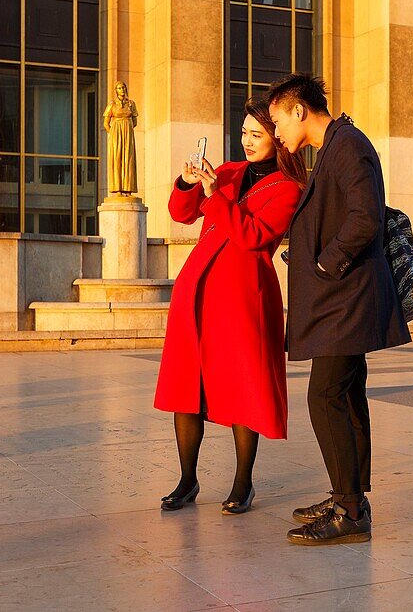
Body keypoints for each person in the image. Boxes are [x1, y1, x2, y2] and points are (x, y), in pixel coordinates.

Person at [268, 73, 411, 546]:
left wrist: (328, 264)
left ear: (298, 110)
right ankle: (349, 497)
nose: (276, 133)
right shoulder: (332, 146)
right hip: (341, 300)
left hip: (346, 300)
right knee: (346, 399)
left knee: (325, 396)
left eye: (277, 121)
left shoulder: (348, 144)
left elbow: (365, 214)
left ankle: (349, 510)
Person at [154, 96, 307, 514]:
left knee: (244, 387)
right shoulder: (227, 172)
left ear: (278, 138)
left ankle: (243, 483)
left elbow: (253, 236)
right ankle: (187, 480)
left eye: (257, 134)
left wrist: (213, 195)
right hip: (197, 289)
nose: (247, 141)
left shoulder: (290, 189)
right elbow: (181, 214)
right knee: (185, 387)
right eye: (243, 132)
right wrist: (188, 183)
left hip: (244, 297)